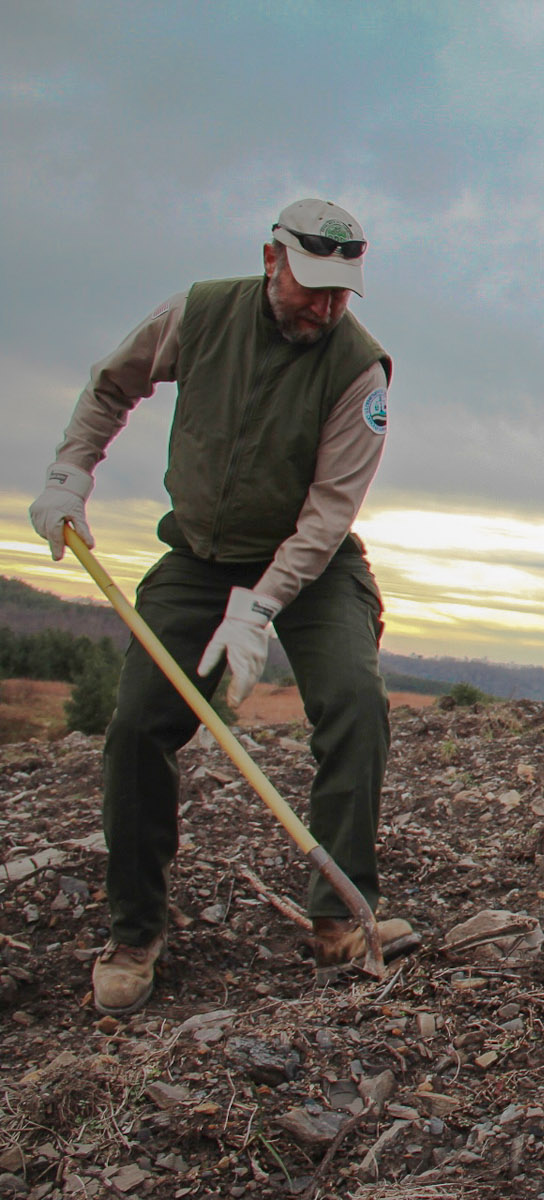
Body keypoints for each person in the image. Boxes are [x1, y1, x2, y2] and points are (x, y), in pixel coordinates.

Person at [29, 199, 417, 1015]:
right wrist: (71, 471)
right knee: (138, 728)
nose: (324, 306)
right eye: (310, 287)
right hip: (198, 558)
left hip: (311, 569)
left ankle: (339, 921)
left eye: (341, 292)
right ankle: (135, 932)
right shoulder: (198, 315)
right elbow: (111, 385)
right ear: (271, 260)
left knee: (354, 703)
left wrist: (261, 606)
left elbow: (327, 516)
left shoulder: (360, 369)